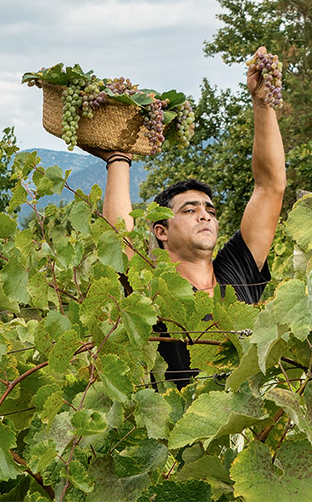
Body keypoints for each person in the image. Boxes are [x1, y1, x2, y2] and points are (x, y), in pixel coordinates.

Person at [89, 48, 286, 386]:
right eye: (190, 210)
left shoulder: (237, 270)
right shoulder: (154, 286)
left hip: (254, 426)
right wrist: (118, 157)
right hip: (184, 432)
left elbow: (270, 187)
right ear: (161, 232)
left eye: (210, 210)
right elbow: (118, 240)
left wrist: (263, 104)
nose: (204, 216)